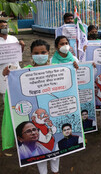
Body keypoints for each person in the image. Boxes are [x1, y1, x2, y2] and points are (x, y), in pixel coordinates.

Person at [3, 40, 59, 174]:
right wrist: (7, 75)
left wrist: (74, 67)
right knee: (39, 153)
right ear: (31, 54)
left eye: (43, 52)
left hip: (54, 114)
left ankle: (56, 171)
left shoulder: (57, 69)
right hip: (34, 114)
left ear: (49, 53)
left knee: (55, 150)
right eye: (36, 53)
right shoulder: (23, 71)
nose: (40, 55)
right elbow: (14, 87)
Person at [0, 20, 25, 101]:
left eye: (6, 26)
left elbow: (19, 53)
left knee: (19, 90)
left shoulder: (13, 38)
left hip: (16, 68)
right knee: (6, 94)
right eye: (2, 27)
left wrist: (22, 46)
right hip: (2, 70)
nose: (5, 28)